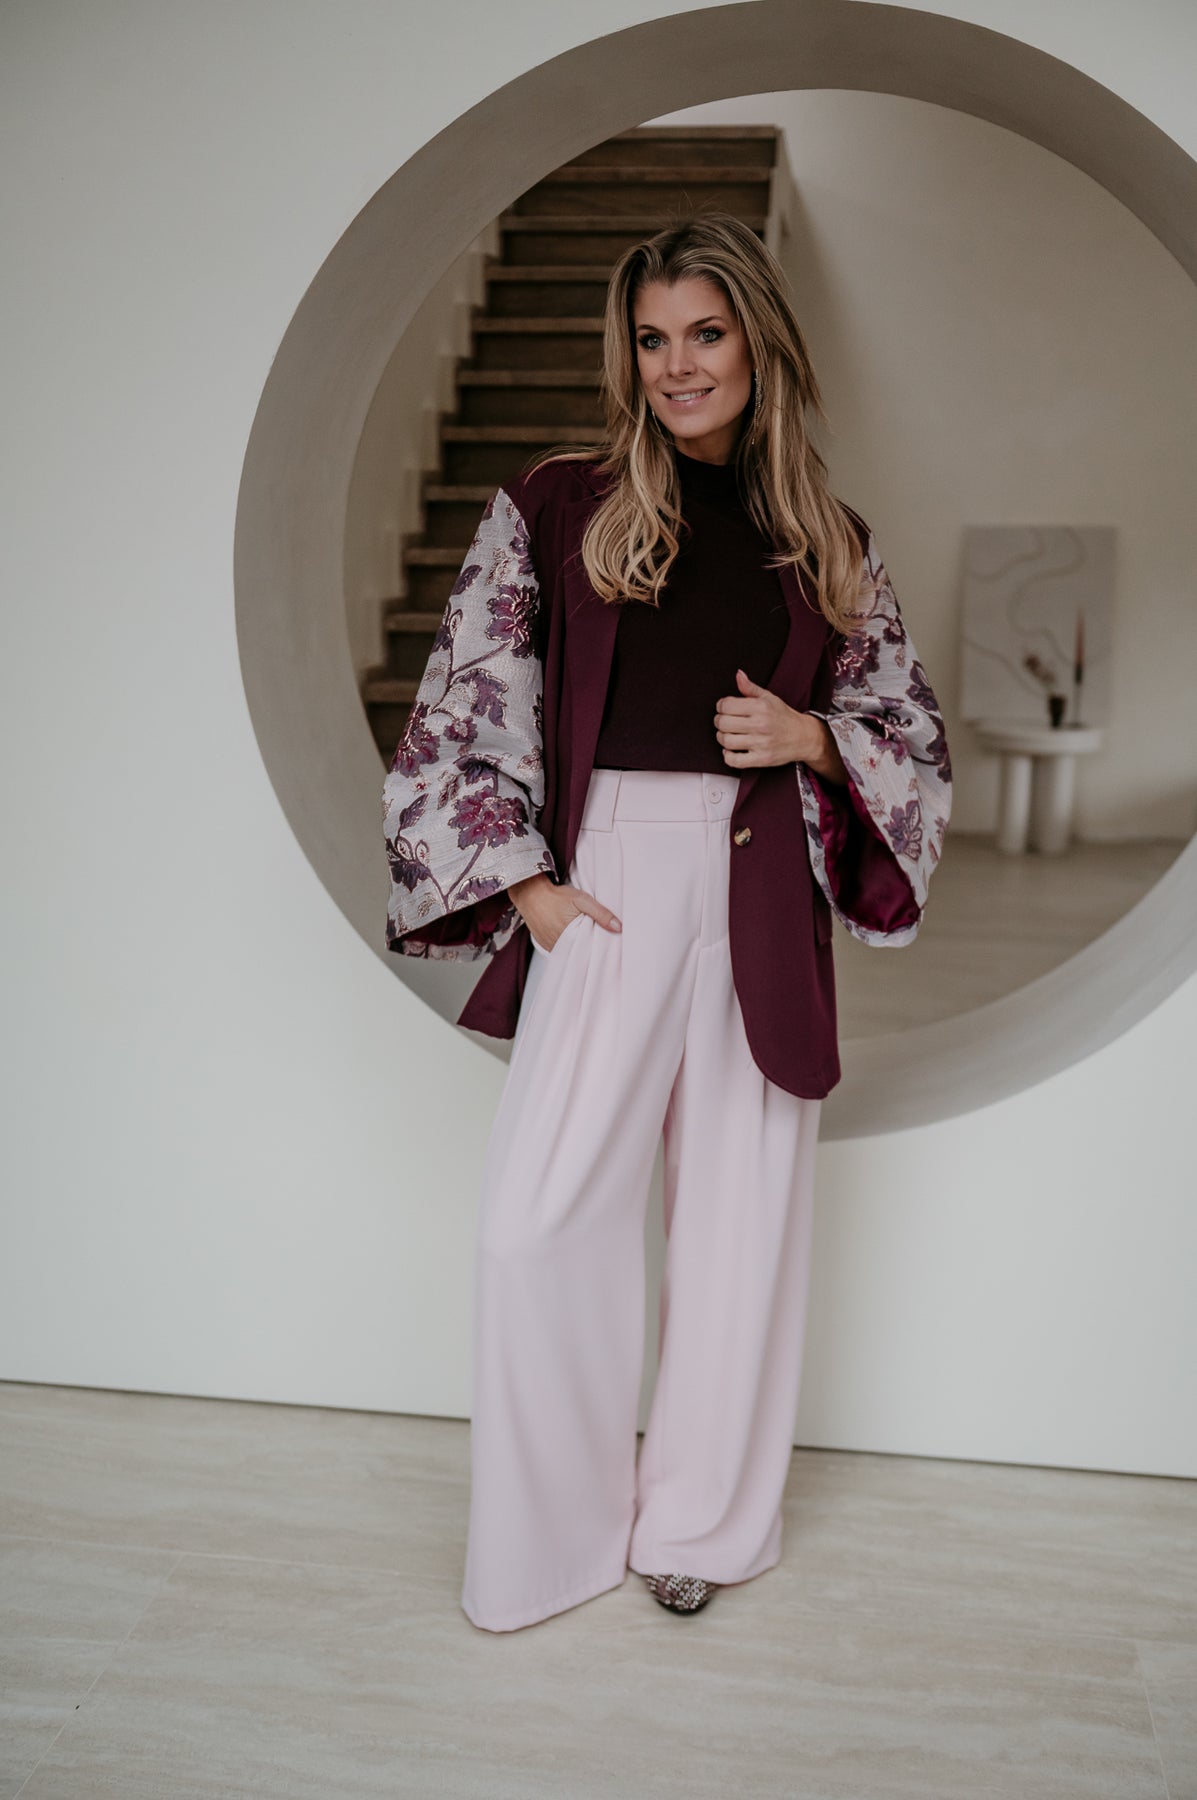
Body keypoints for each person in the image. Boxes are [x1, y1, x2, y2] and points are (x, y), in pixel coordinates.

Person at [381, 212, 952, 1634]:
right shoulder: (557, 504)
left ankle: (697, 1524)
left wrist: (812, 738)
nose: (677, 365)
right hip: (609, 889)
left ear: (760, 343)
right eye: (651, 340)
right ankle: (551, 1539)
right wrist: (532, 892)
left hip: (760, 887)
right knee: (535, 1225)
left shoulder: (828, 539)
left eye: (705, 333)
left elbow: (910, 736)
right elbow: (463, 701)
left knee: (736, 1231)